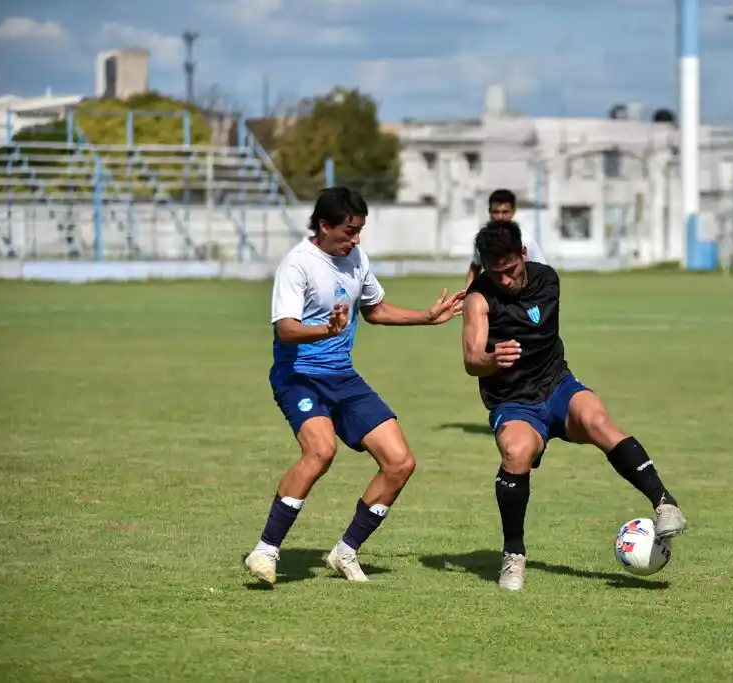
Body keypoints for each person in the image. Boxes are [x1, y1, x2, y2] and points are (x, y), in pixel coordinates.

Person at [243, 186, 465, 586]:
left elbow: (375, 309)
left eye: (360, 229)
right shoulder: (298, 264)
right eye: (349, 230)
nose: (356, 239)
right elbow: (286, 329)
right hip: (300, 377)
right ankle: (265, 551)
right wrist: (324, 330)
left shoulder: (355, 257)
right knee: (320, 451)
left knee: (400, 462)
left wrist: (427, 317)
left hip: (343, 377)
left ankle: (345, 552)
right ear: (324, 226)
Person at [461, 219, 688, 591]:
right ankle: (514, 556)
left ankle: (664, 502)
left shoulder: (548, 280)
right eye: (495, 273)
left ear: (523, 254)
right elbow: (472, 360)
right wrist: (491, 358)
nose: (504, 280)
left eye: (510, 270)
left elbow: (537, 324)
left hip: (557, 386)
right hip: (514, 401)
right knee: (516, 452)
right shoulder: (478, 298)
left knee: (598, 420)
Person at [464, 188, 547, 289]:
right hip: (492, 296)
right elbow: (475, 266)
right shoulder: (481, 240)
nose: (500, 217)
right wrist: (467, 294)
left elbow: (544, 273)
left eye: (505, 212)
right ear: (489, 212)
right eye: (496, 212)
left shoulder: (526, 241)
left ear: (513, 212)